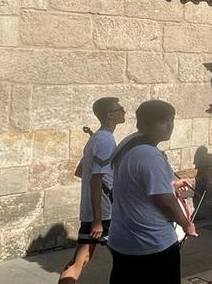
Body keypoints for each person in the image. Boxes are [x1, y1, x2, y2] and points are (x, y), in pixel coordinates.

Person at [108, 100, 197, 284]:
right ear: (146, 124)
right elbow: (165, 201)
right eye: (163, 122)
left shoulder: (129, 142)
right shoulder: (150, 155)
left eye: (171, 120)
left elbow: (136, 184)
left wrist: (170, 185)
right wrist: (186, 224)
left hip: (122, 238)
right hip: (150, 242)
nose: (170, 126)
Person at [58, 98, 126, 284]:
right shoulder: (105, 141)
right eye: (119, 109)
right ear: (109, 115)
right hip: (103, 213)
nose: (124, 111)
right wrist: (97, 219)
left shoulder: (98, 139)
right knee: (128, 260)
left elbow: (81, 172)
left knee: (80, 260)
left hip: (94, 211)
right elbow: (96, 179)